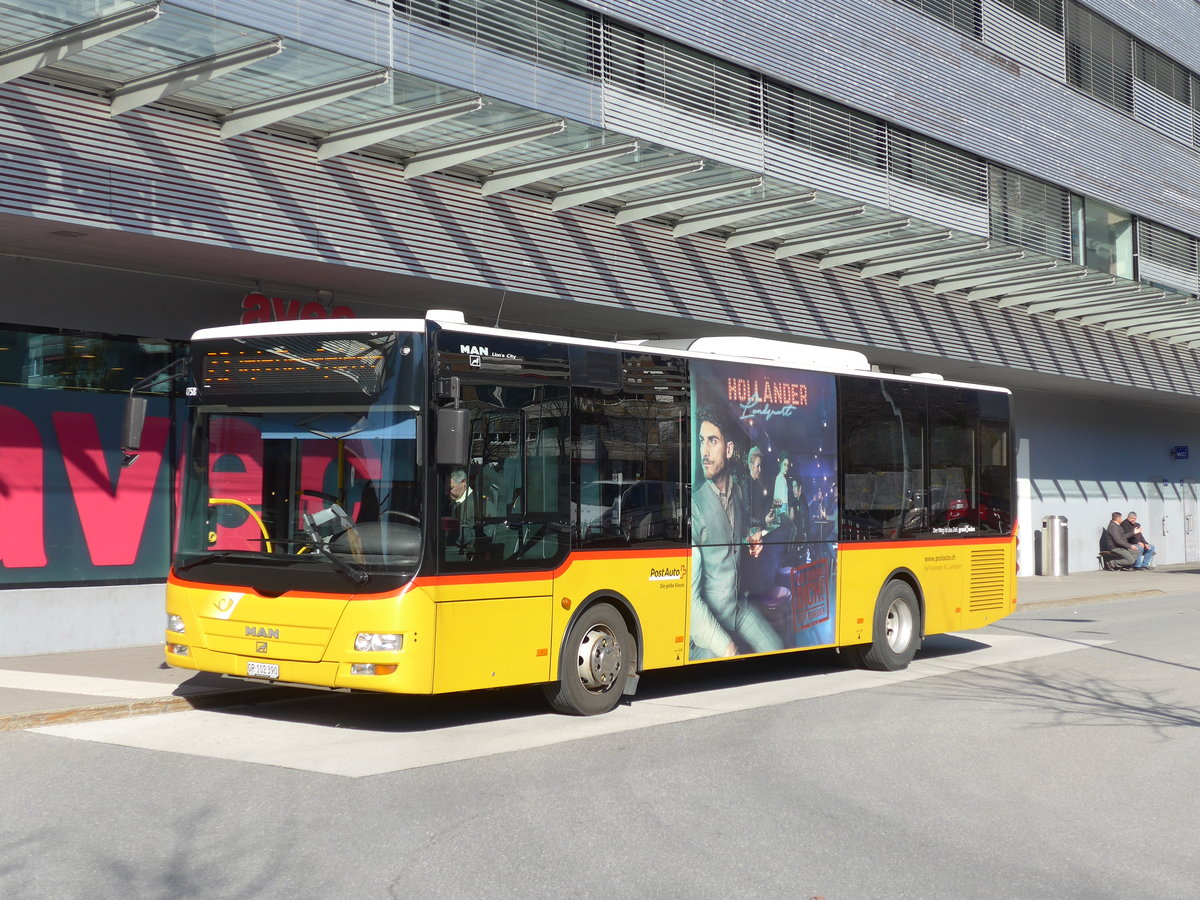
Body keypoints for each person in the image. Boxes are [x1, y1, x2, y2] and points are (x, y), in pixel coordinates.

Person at [690, 408, 784, 660]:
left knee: (777, 650)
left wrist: (752, 539)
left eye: (713, 440)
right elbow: (689, 598)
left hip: (738, 608)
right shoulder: (695, 507)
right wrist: (725, 646)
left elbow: (737, 535)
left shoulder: (739, 493)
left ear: (729, 450)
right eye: (702, 441)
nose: (704, 452)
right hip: (709, 620)